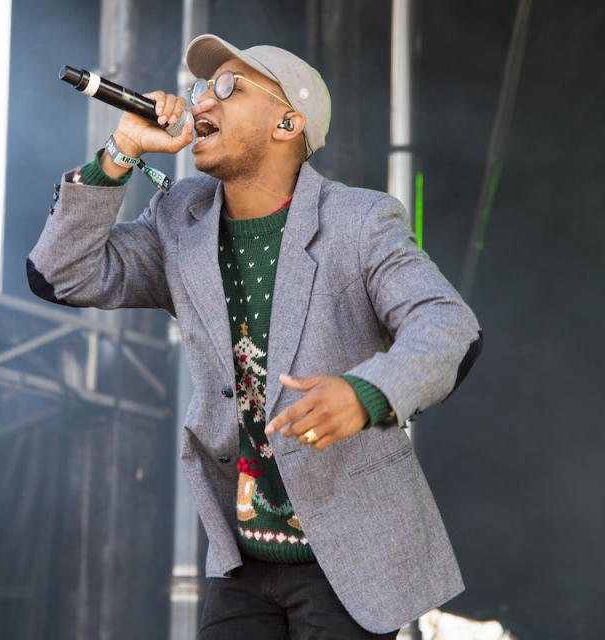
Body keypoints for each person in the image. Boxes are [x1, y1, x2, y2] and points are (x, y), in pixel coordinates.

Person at [27, 33, 483, 639]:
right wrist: (121, 150)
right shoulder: (180, 221)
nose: (200, 102)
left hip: (347, 556)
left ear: (287, 122)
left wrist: (364, 393)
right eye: (197, 89)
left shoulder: (358, 221)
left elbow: (449, 325)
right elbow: (58, 274)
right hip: (241, 560)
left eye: (226, 87)